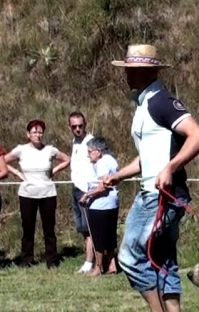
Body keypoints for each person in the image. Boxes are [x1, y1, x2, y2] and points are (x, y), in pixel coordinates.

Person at [103, 44, 199, 312]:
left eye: (132, 71)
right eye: (126, 70)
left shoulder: (161, 101)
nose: (127, 76)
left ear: (149, 71)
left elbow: (198, 136)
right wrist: (117, 176)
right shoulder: (143, 105)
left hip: (160, 196)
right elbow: (149, 158)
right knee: (163, 261)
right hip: (153, 192)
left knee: (130, 255)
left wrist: (172, 167)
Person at [4, 120, 71, 268]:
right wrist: (16, 172)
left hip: (47, 193)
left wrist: (54, 171)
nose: (38, 135)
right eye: (34, 132)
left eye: (40, 132)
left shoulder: (50, 150)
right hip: (27, 194)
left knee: (49, 229)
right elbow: (3, 160)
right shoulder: (20, 150)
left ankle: (52, 261)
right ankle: (27, 260)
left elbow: (67, 159)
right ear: (28, 134)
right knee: (28, 229)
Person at [79, 137, 119, 277]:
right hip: (112, 204)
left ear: (98, 151)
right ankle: (112, 265)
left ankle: (98, 267)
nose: (88, 154)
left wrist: (88, 195)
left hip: (101, 205)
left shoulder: (102, 163)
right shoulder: (111, 160)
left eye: (90, 151)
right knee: (109, 237)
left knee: (98, 237)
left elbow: (103, 187)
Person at [69, 111, 96, 273]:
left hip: (87, 190)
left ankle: (89, 262)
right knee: (82, 229)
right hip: (76, 188)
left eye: (80, 126)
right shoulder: (74, 142)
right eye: (74, 126)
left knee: (89, 229)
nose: (78, 129)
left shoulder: (91, 142)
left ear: (85, 124)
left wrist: (92, 191)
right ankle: (89, 261)